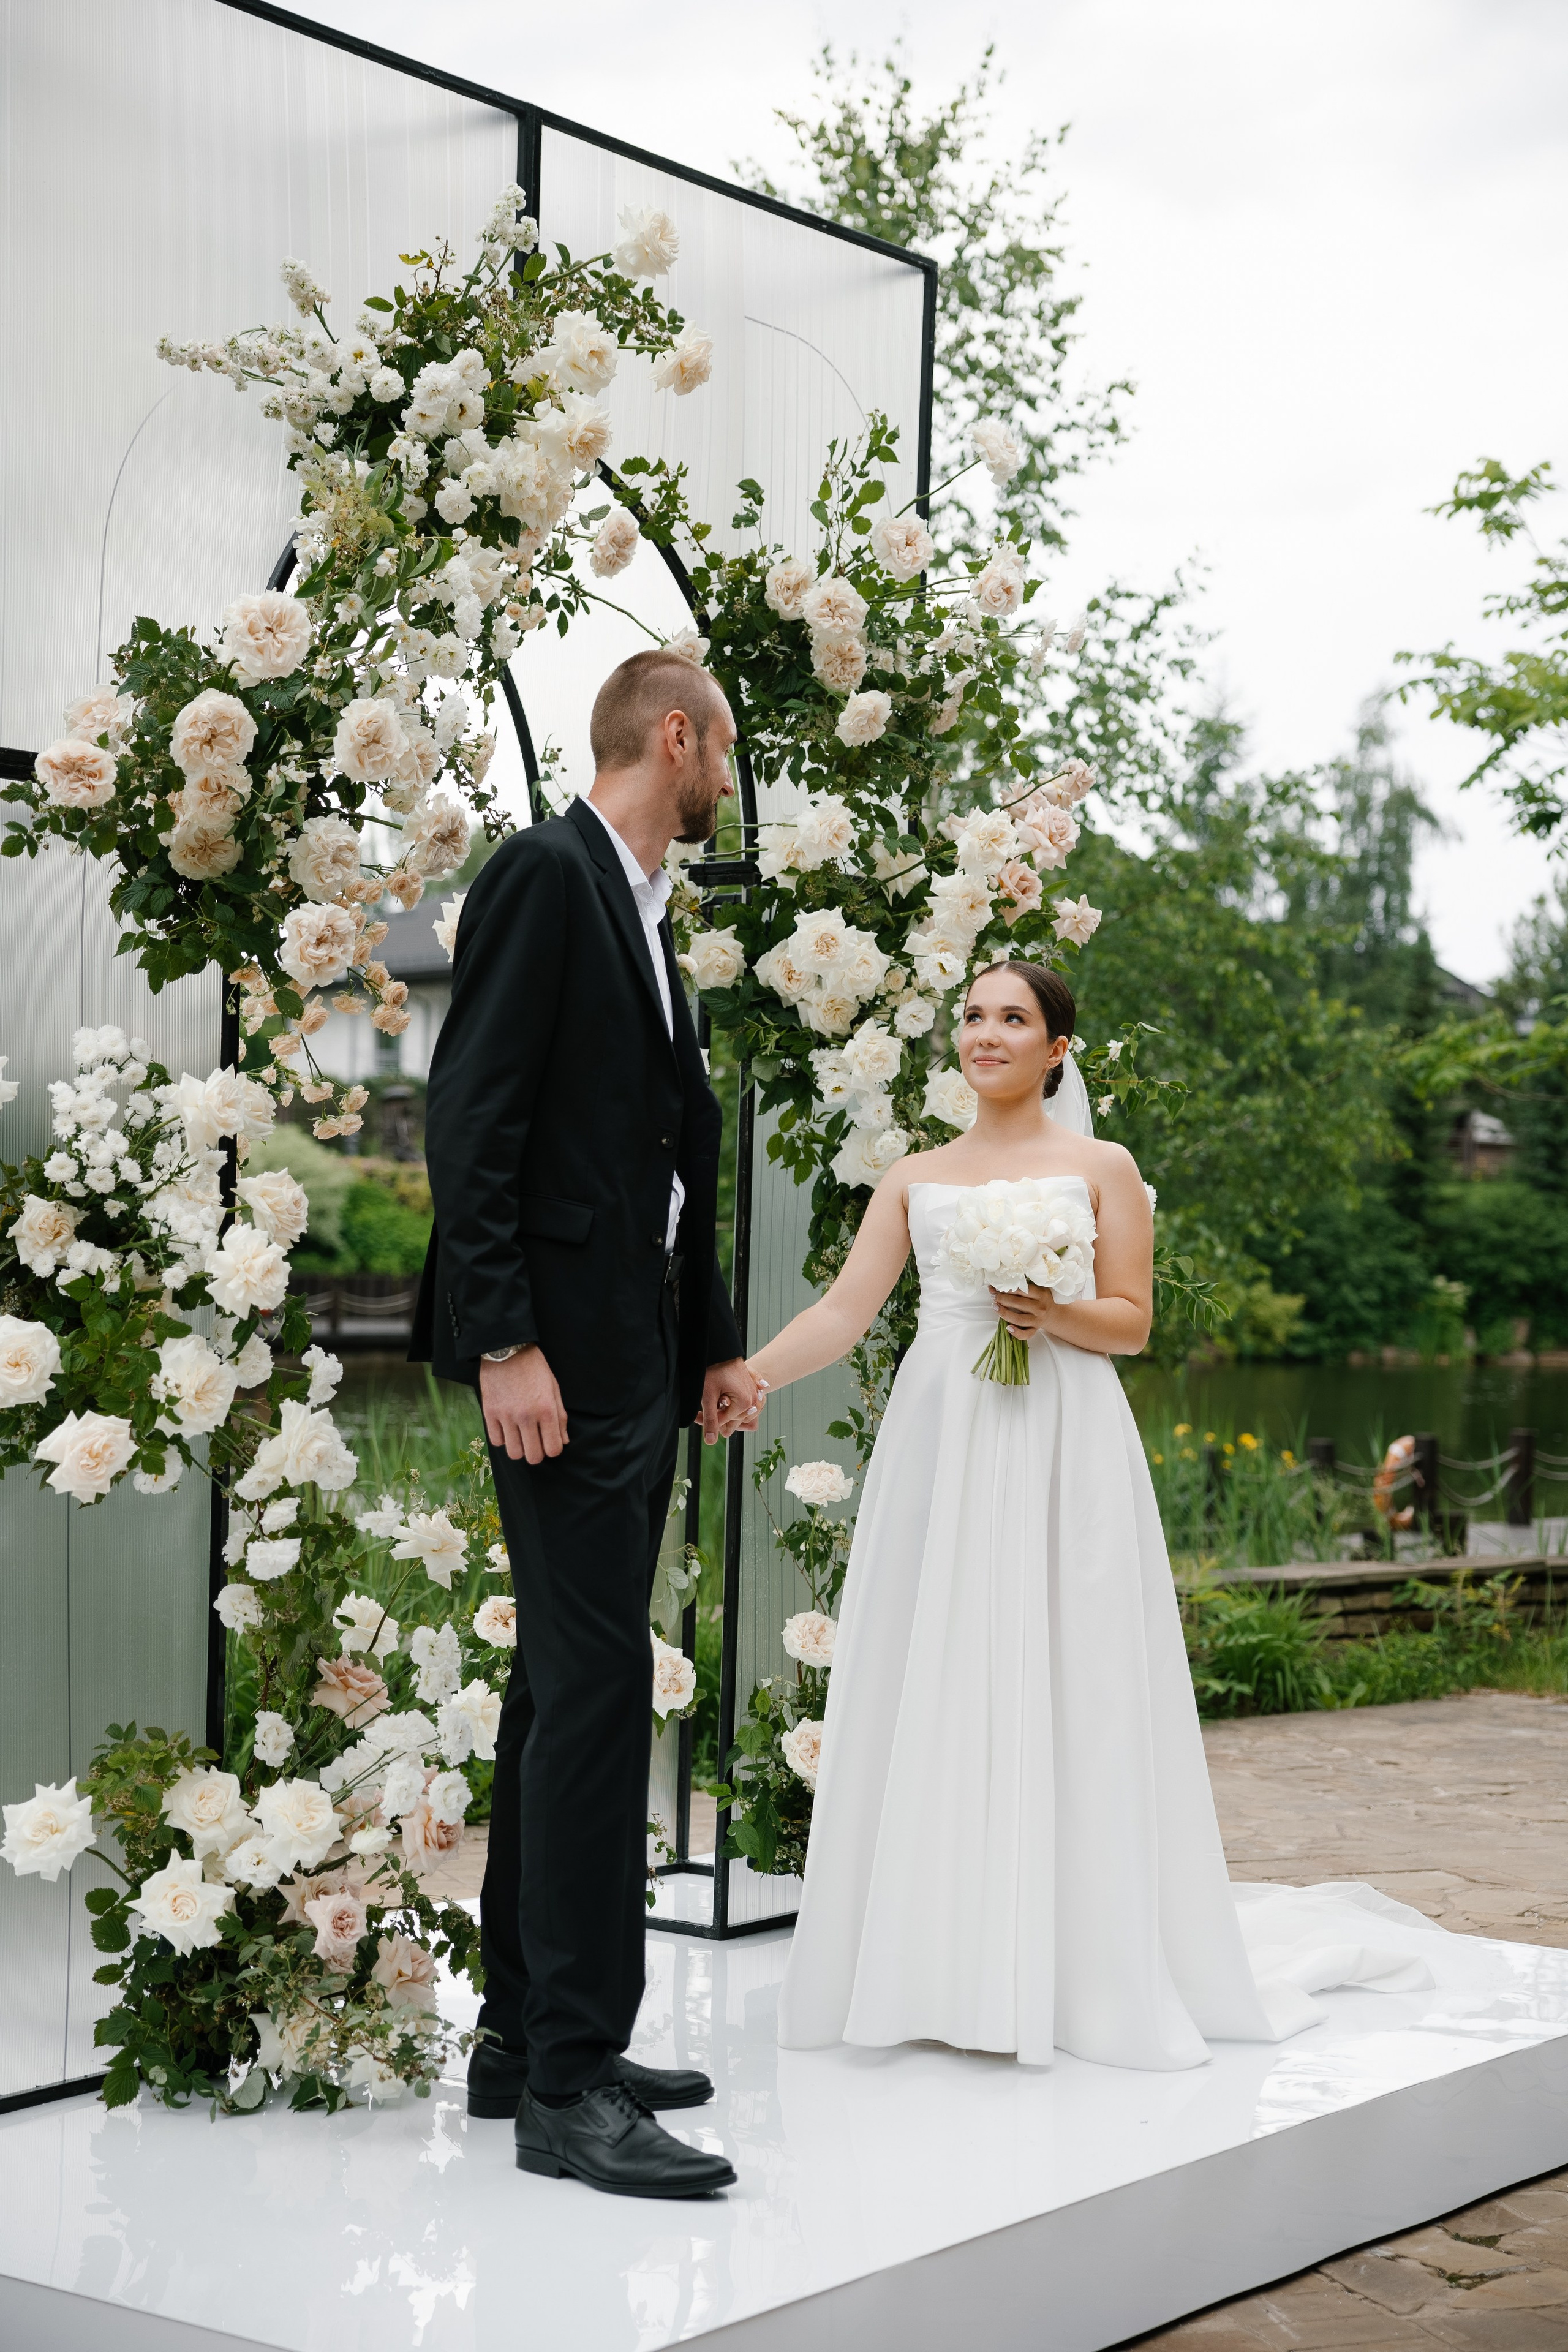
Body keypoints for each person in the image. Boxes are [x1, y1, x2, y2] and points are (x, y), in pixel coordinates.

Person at [750, 962, 1368, 2068]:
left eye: (1014, 1019)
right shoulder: (914, 1176)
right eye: (975, 1016)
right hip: (944, 1442)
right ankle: (937, 1964)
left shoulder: (1102, 1167)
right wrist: (746, 1378)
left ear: (1057, 1050)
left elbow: (1130, 1322)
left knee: (1071, 1671)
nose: (988, 1034)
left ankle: (1079, 1967)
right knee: (938, 1673)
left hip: (1065, 1440)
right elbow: (846, 1314)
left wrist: (1052, 1309)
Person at [413, 649, 763, 2195]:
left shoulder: (641, 911)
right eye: (725, 752)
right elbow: (470, 1114)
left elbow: (666, 1162)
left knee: (565, 1695)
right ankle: (570, 2087)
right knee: (601, 1688)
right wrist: (504, 1339)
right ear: (672, 736)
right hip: (552, 1366)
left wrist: (709, 1349)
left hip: (629, 1365)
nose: (730, 782)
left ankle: (519, 2041)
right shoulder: (547, 876)